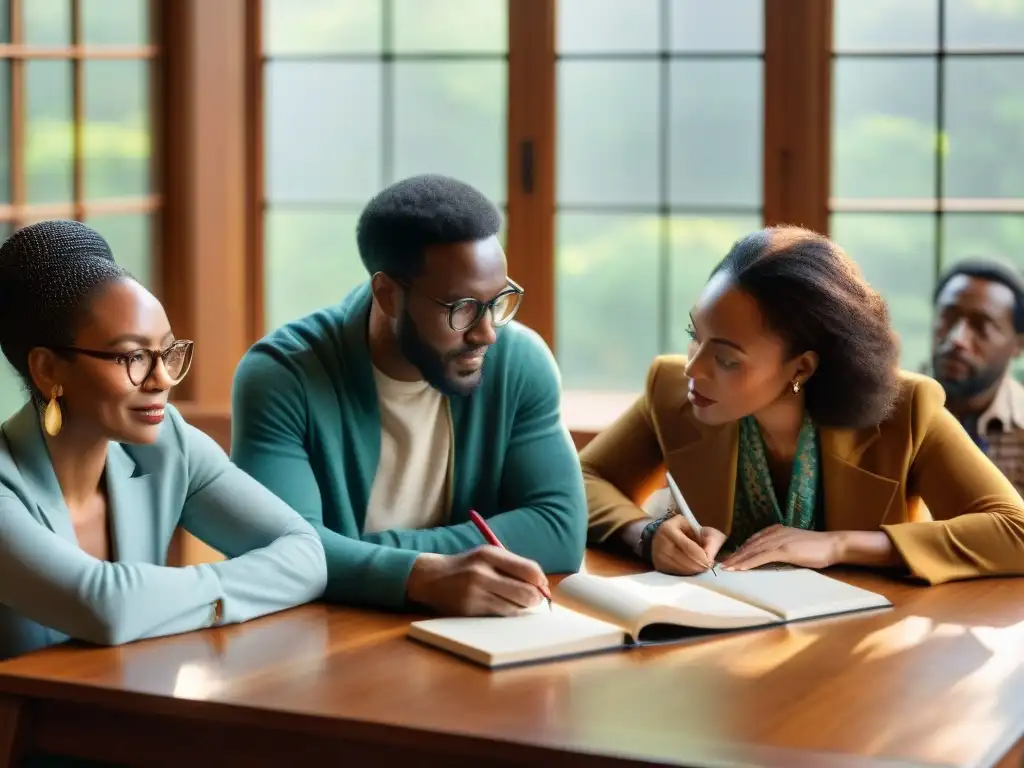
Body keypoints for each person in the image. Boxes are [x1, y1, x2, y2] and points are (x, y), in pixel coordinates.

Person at [582, 226, 1024, 585]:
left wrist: (840, 544)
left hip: (863, 654)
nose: (693, 369)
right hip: (714, 647)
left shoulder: (906, 409)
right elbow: (581, 479)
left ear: (801, 368)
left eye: (726, 358)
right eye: (694, 335)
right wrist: (646, 533)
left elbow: (1014, 530)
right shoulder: (671, 389)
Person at [231, 174, 586, 616]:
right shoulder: (284, 376)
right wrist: (420, 573)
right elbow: (277, 550)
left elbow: (559, 530)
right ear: (388, 295)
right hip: (326, 634)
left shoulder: (520, 362)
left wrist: (361, 554)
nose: (487, 333)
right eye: (462, 309)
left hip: (478, 632)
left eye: (498, 301)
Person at [0, 220, 328, 661]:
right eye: (132, 356)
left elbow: (307, 556)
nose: (162, 379)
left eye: (169, 352)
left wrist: (172, 601)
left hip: (139, 711)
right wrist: (222, 594)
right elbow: (106, 607)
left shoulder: (167, 444)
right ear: (48, 370)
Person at [931, 258, 1024, 494]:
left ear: (1018, 345)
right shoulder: (886, 410)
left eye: (981, 326)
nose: (957, 339)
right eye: (948, 318)